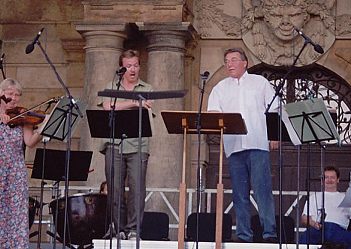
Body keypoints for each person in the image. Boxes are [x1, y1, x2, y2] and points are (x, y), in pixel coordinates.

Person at [207, 48, 278, 243]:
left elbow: (274, 109)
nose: (229, 63)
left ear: (245, 62)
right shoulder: (220, 88)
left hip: (257, 143)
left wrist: (274, 136)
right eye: (227, 60)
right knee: (240, 194)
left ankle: (269, 233)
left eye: (234, 59)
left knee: (263, 191)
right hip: (234, 146)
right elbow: (213, 112)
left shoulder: (260, 83)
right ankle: (244, 235)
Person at [101, 49, 152, 240]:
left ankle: (133, 230)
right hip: (114, 144)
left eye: (136, 65)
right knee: (114, 189)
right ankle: (117, 228)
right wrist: (133, 104)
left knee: (137, 189)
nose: (133, 69)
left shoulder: (146, 88)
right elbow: (107, 107)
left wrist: (129, 104)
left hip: (138, 145)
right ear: (121, 68)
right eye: (129, 65)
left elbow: (146, 111)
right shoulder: (111, 86)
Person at [0, 78, 43, 248]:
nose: (14, 98)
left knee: (16, 214)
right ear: (1, 94)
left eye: (17, 94)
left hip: (15, 172)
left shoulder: (22, 117)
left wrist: (43, 128)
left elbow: (30, 141)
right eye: (10, 93)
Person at [299, 166, 351, 248]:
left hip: (339, 230)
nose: (329, 180)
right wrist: (314, 224)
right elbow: (304, 218)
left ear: (338, 180)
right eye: (326, 177)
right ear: (322, 181)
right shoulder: (314, 197)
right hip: (319, 229)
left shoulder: (346, 197)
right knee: (305, 238)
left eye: (332, 177)